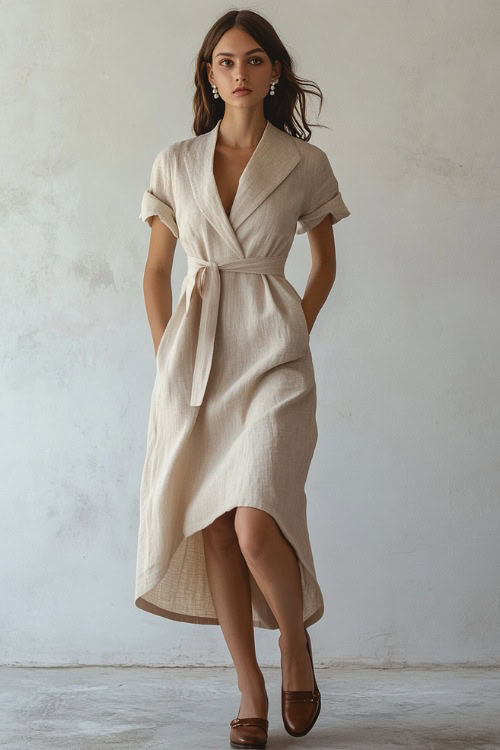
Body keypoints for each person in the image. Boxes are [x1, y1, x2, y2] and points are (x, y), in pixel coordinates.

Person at [135, 9, 351, 748]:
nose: (239, 73)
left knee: (257, 521)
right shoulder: (174, 163)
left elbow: (324, 265)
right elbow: (156, 273)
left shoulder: (303, 163)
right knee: (219, 531)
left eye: (254, 60)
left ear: (275, 72)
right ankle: (249, 688)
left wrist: (294, 334)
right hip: (196, 362)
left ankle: (294, 645)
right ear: (209, 74)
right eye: (225, 62)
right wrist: (169, 357)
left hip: (273, 360)